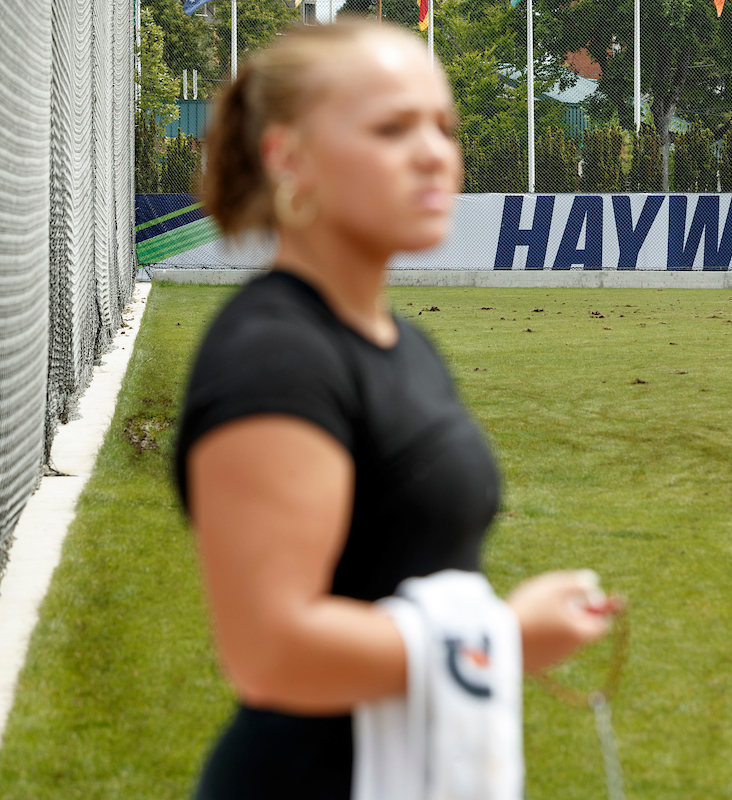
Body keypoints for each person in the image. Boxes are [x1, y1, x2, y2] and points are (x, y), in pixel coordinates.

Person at [175, 21, 616, 799]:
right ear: (289, 158)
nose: (434, 153)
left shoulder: (405, 344)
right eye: (391, 128)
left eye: (443, 126)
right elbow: (269, 650)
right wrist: (506, 639)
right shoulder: (274, 357)